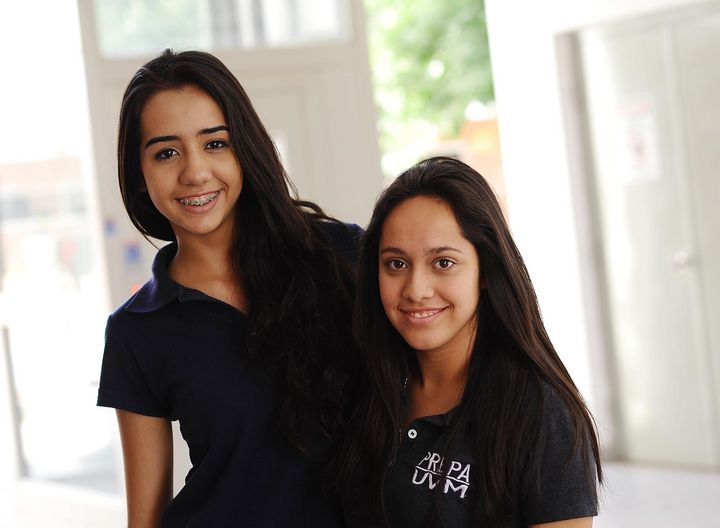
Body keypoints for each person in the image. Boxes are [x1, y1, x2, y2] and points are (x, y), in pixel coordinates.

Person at [97, 49, 362, 527]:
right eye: (166, 152)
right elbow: (145, 517)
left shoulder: (341, 256)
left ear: (245, 149)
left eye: (215, 143)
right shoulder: (135, 330)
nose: (195, 172)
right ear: (138, 176)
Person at [335, 157, 602, 527]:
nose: (415, 290)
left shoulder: (541, 412)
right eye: (396, 264)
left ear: (486, 270)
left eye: (443, 263)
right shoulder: (367, 385)